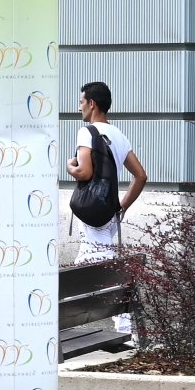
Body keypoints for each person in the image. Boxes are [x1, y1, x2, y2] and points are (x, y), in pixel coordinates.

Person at [64, 81, 147, 265]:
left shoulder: (86, 132)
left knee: (94, 262)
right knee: (95, 258)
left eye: (81, 102)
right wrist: (121, 208)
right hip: (109, 211)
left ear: (92, 103)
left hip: (91, 207)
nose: (79, 107)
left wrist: (70, 167)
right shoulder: (119, 135)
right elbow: (141, 176)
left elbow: (84, 173)